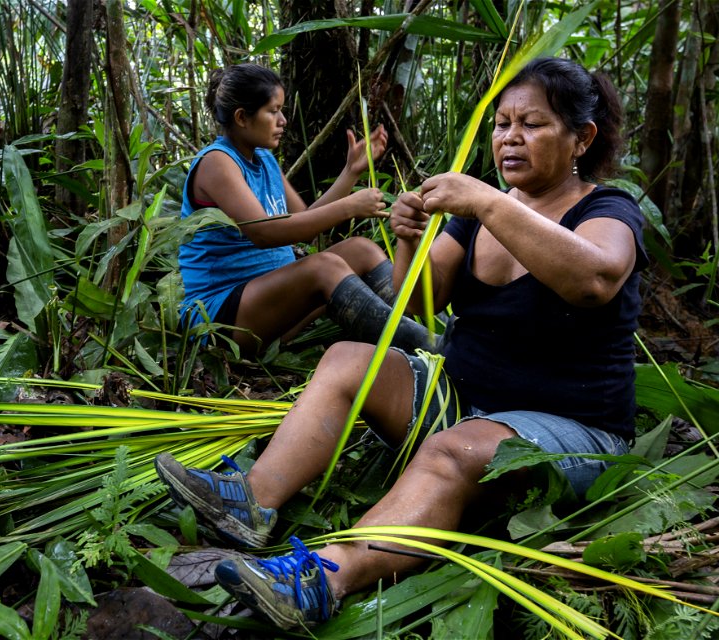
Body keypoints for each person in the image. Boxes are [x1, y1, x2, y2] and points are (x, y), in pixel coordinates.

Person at [156, 56, 647, 630]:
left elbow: (594, 279)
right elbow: (417, 299)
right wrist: (409, 238)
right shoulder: (479, 215)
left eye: (532, 125)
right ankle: (253, 499)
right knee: (347, 361)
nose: (510, 138)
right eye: (502, 123)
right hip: (467, 404)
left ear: (581, 138)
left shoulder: (607, 209)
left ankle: (325, 575)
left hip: (572, 430)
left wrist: (488, 202)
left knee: (453, 450)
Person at [177, 63, 432, 356]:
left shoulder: (264, 159)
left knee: (361, 249)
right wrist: (347, 208)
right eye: (273, 111)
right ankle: (431, 347)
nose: (283, 120)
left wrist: (350, 172)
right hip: (223, 322)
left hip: (276, 311)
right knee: (324, 266)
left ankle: (434, 324)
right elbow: (265, 232)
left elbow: (303, 222)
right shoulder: (217, 163)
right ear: (242, 118)